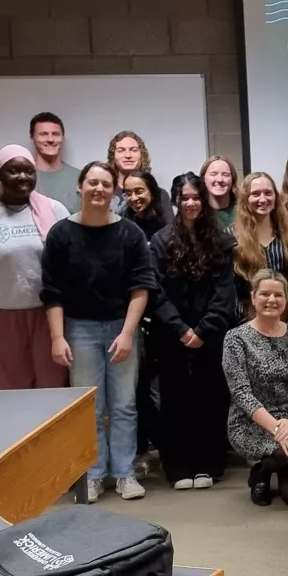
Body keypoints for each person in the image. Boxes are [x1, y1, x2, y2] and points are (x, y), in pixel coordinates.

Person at [41, 161, 156, 504]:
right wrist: (58, 336)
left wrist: (127, 333)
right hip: (79, 329)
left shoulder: (130, 234)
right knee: (88, 408)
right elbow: (52, 291)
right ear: (80, 187)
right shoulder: (61, 234)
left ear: (114, 191)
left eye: (106, 184)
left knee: (123, 405)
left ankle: (123, 473)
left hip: (122, 328)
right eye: (92, 182)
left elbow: (141, 287)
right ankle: (92, 475)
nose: (98, 189)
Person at [149, 172, 236, 490]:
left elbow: (225, 292)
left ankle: (208, 464)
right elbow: (156, 291)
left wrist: (202, 329)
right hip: (170, 334)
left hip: (210, 334)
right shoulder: (160, 241)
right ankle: (178, 466)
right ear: (175, 200)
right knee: (175, 399)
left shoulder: (222, 241)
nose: (190, 203)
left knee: (210, 398)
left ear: (204, 201)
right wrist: (181, 329)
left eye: (195, 197)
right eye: (184, 198)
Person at [0, 145, 71, 390]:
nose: (22, 177)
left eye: (28, 171)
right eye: (13, 171)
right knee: (9, 390)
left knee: (52, 387)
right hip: (0, 318)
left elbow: (68, 269)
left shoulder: (55, 210)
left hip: (48, 317)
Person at [223, 270, 288, 508]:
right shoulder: (235, 338)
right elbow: (241, 392)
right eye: (264, 293)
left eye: (278, 294)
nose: (271, 300)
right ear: (253, 297)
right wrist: (277, 429)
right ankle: (262, 473)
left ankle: (265, 468)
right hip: (252, 422)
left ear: (286, 299)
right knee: (287, 453)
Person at [119, 169, 170, 479]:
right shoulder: (122, 226)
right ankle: (141, 451)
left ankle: (167, 448)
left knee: (159, 389)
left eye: (140, 191)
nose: (135, 197)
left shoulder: (166, 227)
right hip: (133, 316)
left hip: (163, 315)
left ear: (152, 191)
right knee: (136, 389)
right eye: (128, 192)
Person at [232, 172, 288, 327]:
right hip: (246, 320)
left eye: (268, 193)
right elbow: (229, 289)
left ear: (276, 197)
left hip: (287, 318)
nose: (263, 199)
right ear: (245, 199)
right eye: (255, 194)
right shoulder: (231, 238)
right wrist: (243, 325)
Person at [107, 130, 171, 218]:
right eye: (121, 150)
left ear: (142, 155)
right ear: (113, 157)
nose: (128, 155)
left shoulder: (159, 195)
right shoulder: (104, 192)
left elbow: (170, 230)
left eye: (133, 150)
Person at [29, 111, 80, 213]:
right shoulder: (23, 178)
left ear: (62, 138)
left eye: (56, 134)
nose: (50, 139)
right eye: (43, 134)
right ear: (32, 138)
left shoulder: (81, 177)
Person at [120, 171, 173, 241]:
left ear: (152, 193)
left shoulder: (165, 223)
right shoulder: (122, 224)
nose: (133, 198)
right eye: (128, 194)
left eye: (139, 192)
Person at [201, 155, 239, 229]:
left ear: (233, 179)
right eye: (213, 174)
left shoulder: (245, 210)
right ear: (203, 178)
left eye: (225, 175)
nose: (219, 180)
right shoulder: (196, 211)